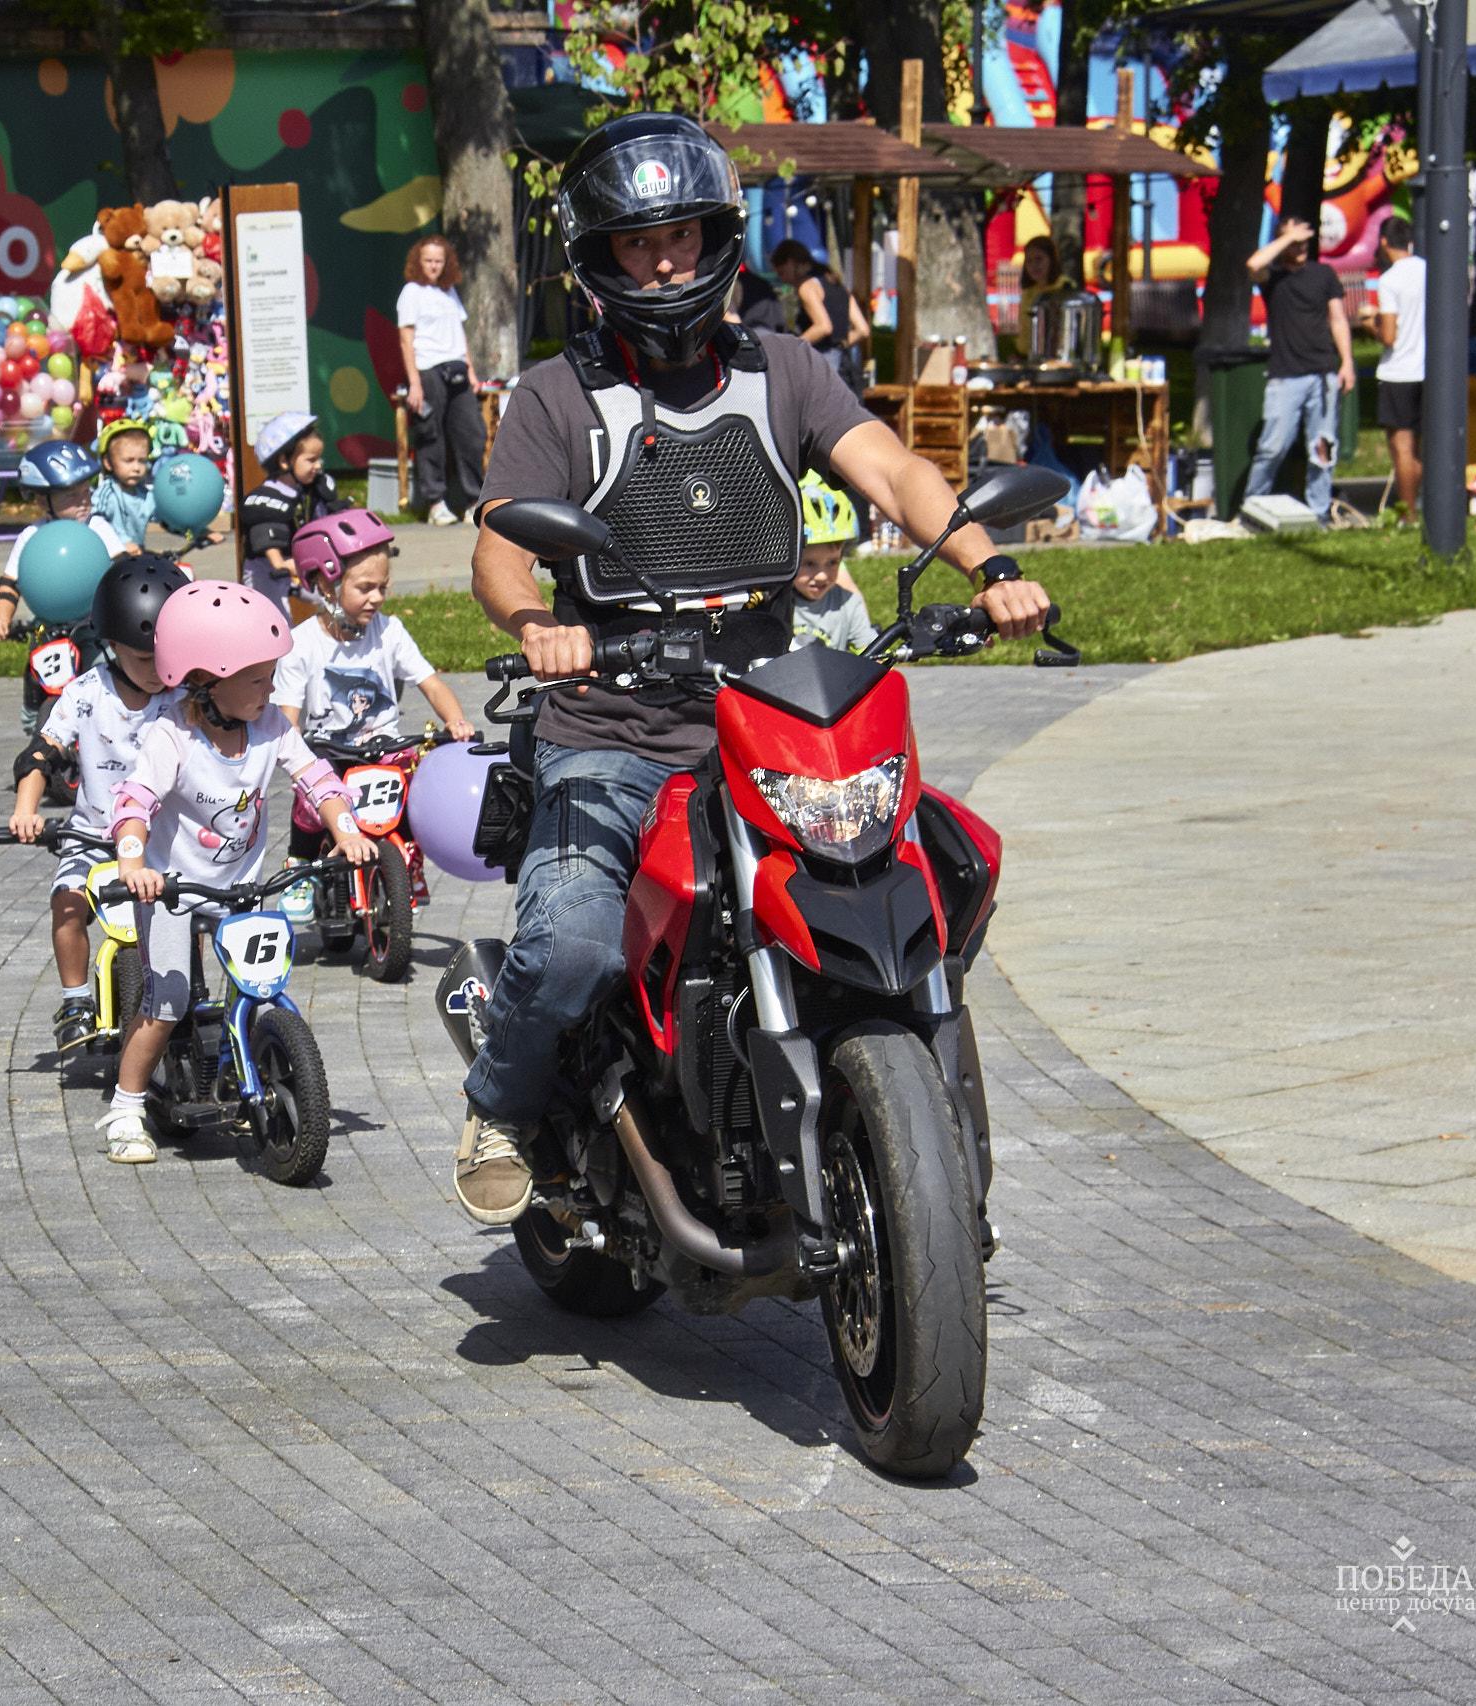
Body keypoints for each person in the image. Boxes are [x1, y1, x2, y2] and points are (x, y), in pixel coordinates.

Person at [454, 112, 1051, 1225]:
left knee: (939, 872)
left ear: (718, 235)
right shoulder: (556, 394)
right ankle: (503, 1102)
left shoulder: (783, 368)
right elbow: (499, 545)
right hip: (613, 725)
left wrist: (988, 564)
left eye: (680, 234)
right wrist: (541, 620)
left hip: (766, 721)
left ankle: (918, 1140)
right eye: (638, 244)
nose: (664, 260)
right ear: (598, 260)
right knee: (575, 937)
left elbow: (894, 470)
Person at [102, 582, 375, 1163]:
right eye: (257, 679)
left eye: (272, 675)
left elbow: (315, 777)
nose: (270, 689)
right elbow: (135, 800)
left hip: (243, 886)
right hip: (173, 888)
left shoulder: (270, 724)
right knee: (167, 1001)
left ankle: (245, 1069)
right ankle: (125, 1108)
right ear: (205, 679)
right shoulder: (171, 735)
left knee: (263, 987)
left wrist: (345, 829)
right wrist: (132, 858)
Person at [7, 554, 187, 1053]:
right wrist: (27, 811)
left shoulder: (190, 695)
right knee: (66, 904)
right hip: (93, 835)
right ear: (110, 645)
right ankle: (76, 998)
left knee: (185, 914)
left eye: (165, 656)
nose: (157, 671)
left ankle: (185, 991)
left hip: (165, 842)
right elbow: (40, 754)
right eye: (143, 658)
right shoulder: (87, 693)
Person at [274, 509, 475, 754]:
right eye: (365, 588)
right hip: (326, 765)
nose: (377, 598)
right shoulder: (300, 644)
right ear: (327, 586)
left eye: (382, 587)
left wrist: (455, 720)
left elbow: (432, 686)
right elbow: (288, 718)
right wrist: (292, 739)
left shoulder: (389, 631)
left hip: (387, 755)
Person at [1242, 217, 1353, 523]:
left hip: (1323, 374)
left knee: (1322, 449)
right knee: (1272, 447)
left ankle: (1319, 513)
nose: (1301, 246)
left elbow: (1338, 319)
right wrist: (1285, 238)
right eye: (1294, 241)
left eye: (1304, 240)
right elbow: (1254, 264)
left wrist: (1347, 362)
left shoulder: (1323, 274)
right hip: (1285, 375)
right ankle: (1253, 508)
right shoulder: (1273, 277)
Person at [0, 439, 127, 641]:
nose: (84, 501)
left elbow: (123, 571)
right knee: (36, 669)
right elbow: (9, 585)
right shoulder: (32, 537)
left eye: (86, 491)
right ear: (42, 499)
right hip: (48, 628)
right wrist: (1, 618)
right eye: (72, 495)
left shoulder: (97, 527)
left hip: (94, 628)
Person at [397, 235, 489, 526]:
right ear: (418, 261)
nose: (434, 266)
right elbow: (405, 339)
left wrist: (471, 371)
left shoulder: (449, 292)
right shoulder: (411, 292)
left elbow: (460, 335)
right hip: (428, 370)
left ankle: (475, 500)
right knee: (430, 435)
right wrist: (414, 383)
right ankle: (435, 502)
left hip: (457, 368)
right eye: (428, 261)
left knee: (472, 433)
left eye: (439, 261)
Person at [238, 411, 351, 607]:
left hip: (299, 564)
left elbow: (330, 519)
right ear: (284, 461)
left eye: (319, 459)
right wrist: (280, 564)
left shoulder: (312, 488)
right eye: (311, 460)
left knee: (337, 604)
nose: (318, 466)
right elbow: (266, 535)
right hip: (267, 570)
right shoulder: (268, 498)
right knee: (277, 622)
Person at [1364, 216, 1425, 524]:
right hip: (1429, 370)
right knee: (1423, 447)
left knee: (1402, 447)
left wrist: (1371, 325)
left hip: (1399, 370)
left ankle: (1409, 515)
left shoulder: (1390, 280)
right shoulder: (1430, 271)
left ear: (1385, 243)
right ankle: (1428, 508)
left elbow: (1389, 337)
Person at [790, 475, 877, 654]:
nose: (822, 575)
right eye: (809, 563)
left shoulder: (848, 604)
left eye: (832, 562)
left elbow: (874, 655)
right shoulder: (776, 604)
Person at [771, 239, 871, 387]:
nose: (783, 280)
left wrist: (793, 347)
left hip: (822, 363)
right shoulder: (836, 283)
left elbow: (823, 327)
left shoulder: (807, 287)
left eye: (782, 272)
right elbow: (863, 330)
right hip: (846, 364)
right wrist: (839, 345)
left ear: (791, 262)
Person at [1012, 235, 1075, 359]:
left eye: (1039, 259)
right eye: (1029, 261)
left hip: (1057, 358)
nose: (1034, 266)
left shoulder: (1065, 288)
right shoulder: (1028, 293)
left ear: (1051, 260)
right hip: (1027, 358)